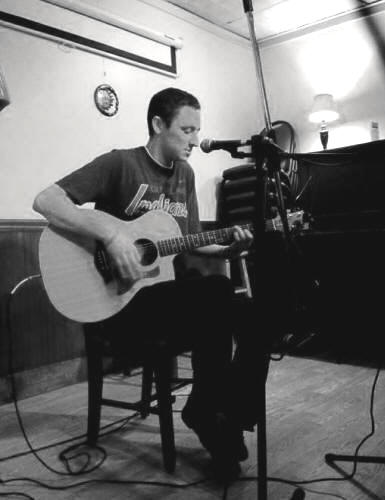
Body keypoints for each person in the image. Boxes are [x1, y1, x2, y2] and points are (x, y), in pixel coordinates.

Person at [33, 87, 269, 480]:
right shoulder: (120, 164)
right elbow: (46, 200)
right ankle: (210, 417)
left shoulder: (186, 174)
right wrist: (111, 235)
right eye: (187, 130)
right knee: (215, 292)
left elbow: (190, 239)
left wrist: (227, 250)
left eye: (198, 130)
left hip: (166, 299)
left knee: (255, 312)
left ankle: (225, 416)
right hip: (119, 302)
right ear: (159, 124)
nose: (195, 140)